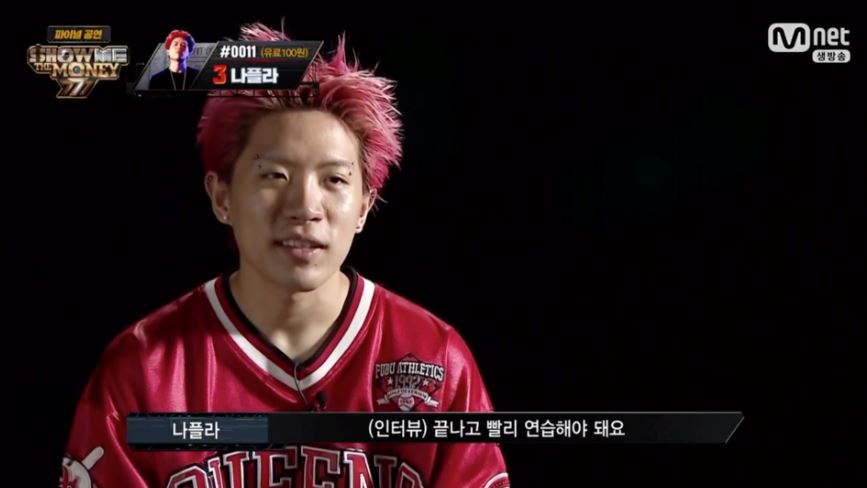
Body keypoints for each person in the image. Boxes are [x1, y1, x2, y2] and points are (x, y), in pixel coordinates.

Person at [62, 23, 510, 488]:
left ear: (364, 206)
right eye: (275, 176)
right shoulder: (142, 371)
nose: (304, 208)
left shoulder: (437, 357)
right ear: (221, 197)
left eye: (334, 180)